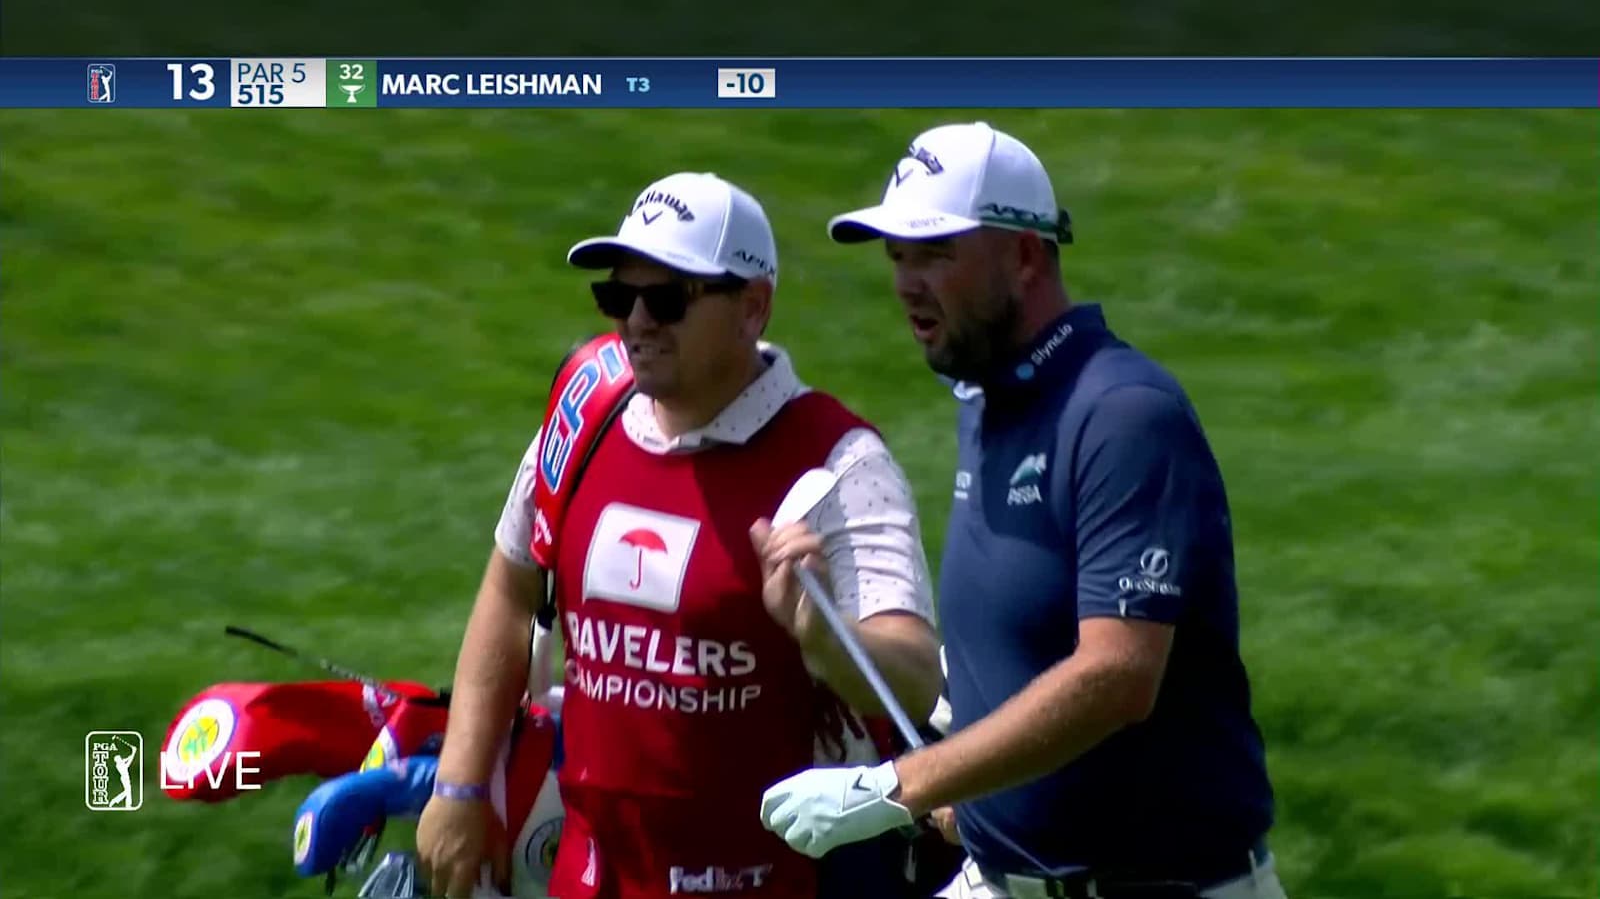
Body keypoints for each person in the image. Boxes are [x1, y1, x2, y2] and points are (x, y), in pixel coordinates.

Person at [755, 122, 1289, 899]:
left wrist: (890, 788)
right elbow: (1010, 668)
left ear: (1025, 254)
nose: (907, 281)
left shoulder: (1122, 414)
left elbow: (1116, 676)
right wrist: (828, 635)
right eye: (896, 256)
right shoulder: (992, 405)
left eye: (935, 253)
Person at [415, 170, 945, 898]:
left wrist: (825, 634)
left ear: (752, 307)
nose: (636, 321)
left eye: (666, 299)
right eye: (618, 296)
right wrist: (461, 788)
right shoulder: (585, 414)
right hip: (586, 877)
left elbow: (915, 685)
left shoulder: (837, 463)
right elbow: (511, 588)